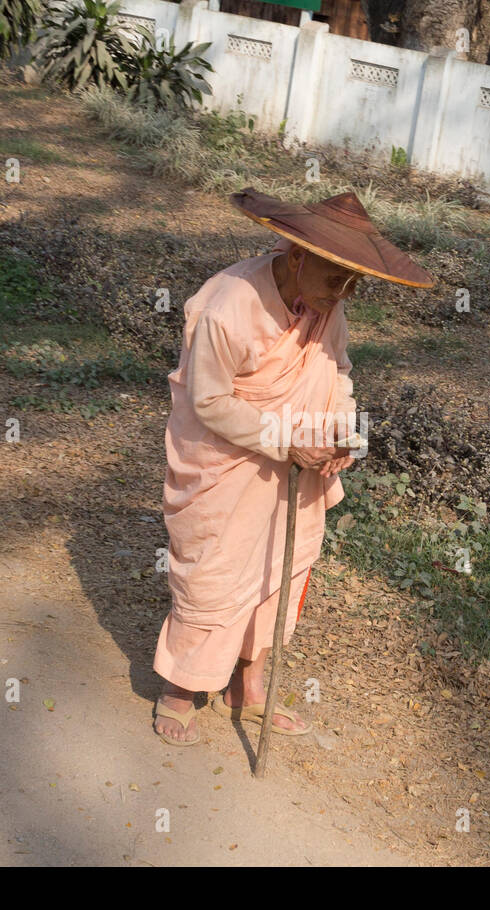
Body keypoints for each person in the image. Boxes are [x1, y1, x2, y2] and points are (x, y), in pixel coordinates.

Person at [152, 187, 434, 745]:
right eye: (337, 278)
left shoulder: (330, 307)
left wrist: (345, 436)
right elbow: (209, 401)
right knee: (216, 569)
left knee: (281, 568)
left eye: (355, 283)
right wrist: (285, 441)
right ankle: (181, 687)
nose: (344, 292)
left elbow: (338, 373)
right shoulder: (226, 305)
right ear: (298, 255)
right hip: (226, 463)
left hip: (298, 465)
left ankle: (248, 685)